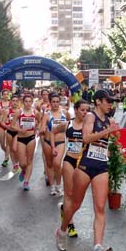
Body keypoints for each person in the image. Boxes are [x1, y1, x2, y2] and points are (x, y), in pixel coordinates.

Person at [55, 90, 120, 251]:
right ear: (98, 101)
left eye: (111, 102)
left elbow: (104, 144)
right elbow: (86, 139)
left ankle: (97, 247)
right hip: (84, 165)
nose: (110, 105)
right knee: (75, 204)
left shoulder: (109, 120)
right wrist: (107, 131)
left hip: (101, 166)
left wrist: (113, 140)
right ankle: (62, 230)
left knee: (100, 207)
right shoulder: (91, 117)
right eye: (108, 101)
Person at [52, 99, 89, 237]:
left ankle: (64, 210)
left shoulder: (89, 126)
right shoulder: (68, 124)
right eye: (82, 110)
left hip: (83, 162)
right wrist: (54, 147)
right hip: (69, 160)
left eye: (87, 110)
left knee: (77, 197)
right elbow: (53, 131)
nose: (85, 113)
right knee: (69, 193)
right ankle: (70, 224)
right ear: (76, 110)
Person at [10, 93, 41, 191]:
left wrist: (36, 128)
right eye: (26, 101)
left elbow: (40, 122)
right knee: (22, 163)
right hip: (21, 138)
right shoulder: (19, 112)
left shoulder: (35, 112)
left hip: (31, 138)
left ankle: (26, 181)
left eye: (30, 102)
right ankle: (23, 170)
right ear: (23, 103)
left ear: (32, 102)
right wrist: (19, 129)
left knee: (29, 161)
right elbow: (12, 125)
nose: (28, 103)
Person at [43, 92, 70, 196]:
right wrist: (42, 129)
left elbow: (69, 124)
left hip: (60, 141)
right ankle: (52, 186)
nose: (55, 104)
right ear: (50, 103)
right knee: (49, 164)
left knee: (57, 163)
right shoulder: (47, 115)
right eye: (53, 102)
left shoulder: (64, 113)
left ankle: (59, 185)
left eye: (57, 102)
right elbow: (42, 126)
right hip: (48, 141)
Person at [0, 90, 13, 168]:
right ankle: (8, 153)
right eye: (4, 94)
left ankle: (6, 159)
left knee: (8, 143)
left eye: (7, 94)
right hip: (1, 124)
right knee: (2, 144)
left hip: (9, 124)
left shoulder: (12, 103)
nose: (6, 96)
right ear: (2, 95)